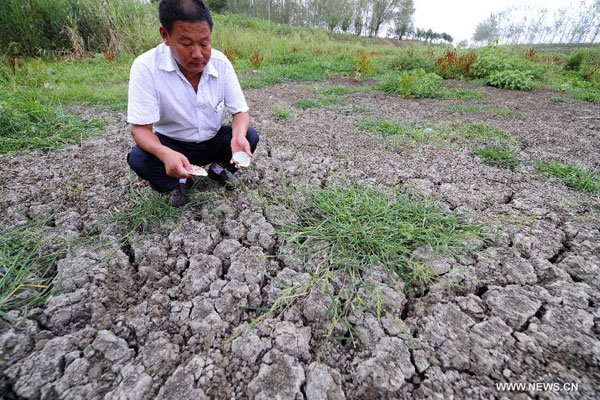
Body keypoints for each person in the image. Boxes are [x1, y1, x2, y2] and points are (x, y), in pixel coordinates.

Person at [126, 0, 259, 207]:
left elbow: (240, 112)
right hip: (172, 143)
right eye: (187, 44)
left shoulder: (220, 63)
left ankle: (217, 169)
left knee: (250, 136)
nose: (198, 55)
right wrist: (165, 153)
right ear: (165, 36)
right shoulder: (145, 67)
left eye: (205, 44)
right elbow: (140, 130)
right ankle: (179, 180)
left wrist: (239, 135)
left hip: (211, 140)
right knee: (140, 159)